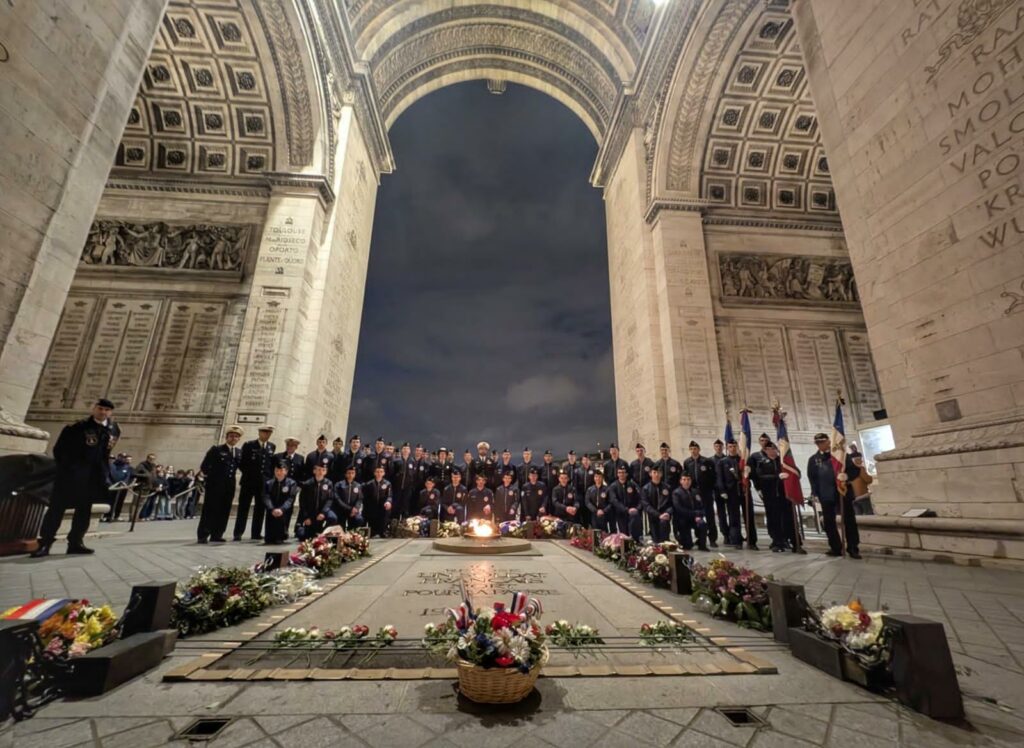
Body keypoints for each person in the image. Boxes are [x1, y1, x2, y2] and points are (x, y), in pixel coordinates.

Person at [31, 398, 117, 557]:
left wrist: (104, 474)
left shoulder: (113, 430)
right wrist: (70, 469)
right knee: (56, 509)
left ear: (110, 412)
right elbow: (59, 450)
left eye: (106, 410)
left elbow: (105, 454)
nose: (103, 412)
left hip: (93, 478)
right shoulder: (78, 427)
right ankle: (45, 543)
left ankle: (76, 542)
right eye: (100, 408)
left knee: (84, 511)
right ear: (94, 408)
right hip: (70, 476)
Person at [807, 433, 861, 559]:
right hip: (825, 494)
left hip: (842, 492)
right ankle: (835, 547)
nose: (820, 444)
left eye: (822, 442)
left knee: (849, 521)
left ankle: (853, 548)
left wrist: (847, 476)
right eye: (818, 443)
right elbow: (812, 478)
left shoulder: (841, 456)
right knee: (829, 522)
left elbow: (855, 470)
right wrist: (814, 493)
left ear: (829, 442)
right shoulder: (813, 459)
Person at [196, 426, 243, 543]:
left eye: (236, 437)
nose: (233, 438)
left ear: (239, 439)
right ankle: (203, 534)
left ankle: (217, 534)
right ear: (227, 437)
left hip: (229, 485)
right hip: (215, 484)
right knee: (210, 509)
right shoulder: (216, 450)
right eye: (231, 436)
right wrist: (213, 477)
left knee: (224, 509)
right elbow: (205, 466)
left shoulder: (238, 452)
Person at [235, 425, 276, 541]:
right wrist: (250, 474)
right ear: (259, 433)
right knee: (243, 507)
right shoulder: (249, 445)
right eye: (264, 432)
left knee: (260, 509)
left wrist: (268, 479)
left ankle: (256, 533)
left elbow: (270, 465)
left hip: (263, 484)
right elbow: (242, 463)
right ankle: (238, 533)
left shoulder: (272, 446)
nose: (266, 434)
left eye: (269, 433)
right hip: (248, 482)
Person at [685, 441, 723, 548]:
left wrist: (710, 488)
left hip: (706, 492)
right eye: (691, 449)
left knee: (709, 515)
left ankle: (712, 539)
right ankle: (700, 538)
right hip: (694, 493)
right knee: (697, 516)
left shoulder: (706, 461)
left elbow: (713, 476)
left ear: (699, 449)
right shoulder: (687, 462)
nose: (693, 451)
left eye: (695, 449)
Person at [756, 443, 790, 552]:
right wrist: (777, 477)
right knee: (773, 519)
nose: (771, 451)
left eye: (773, 448)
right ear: (765, 451)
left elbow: (794, 471)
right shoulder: (762, 463)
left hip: (783, 495)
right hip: (770, 495)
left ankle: (786, 539)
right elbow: (760, 476)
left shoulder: (783, 461)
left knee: (785, 518)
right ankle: (776, 541)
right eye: (768, 449)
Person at [295, 462, 337, 540]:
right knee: (303, 536)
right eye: (319, 470)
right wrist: (306, 517)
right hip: (311, 512)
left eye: (323, 470)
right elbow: (302, 502)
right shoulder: (308, 484)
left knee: (333, 517)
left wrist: (323, 512)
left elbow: (330, 499)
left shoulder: (329, 483)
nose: (321, 472)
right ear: (314, 471)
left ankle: (324, 533)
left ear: (326, 472)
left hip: (322, 511)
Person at [715, 440, 744, 549]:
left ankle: (751, 540)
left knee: (747, 516)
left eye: (734, 446)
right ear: (727, 448)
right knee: (734, 517)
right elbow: (720, 478)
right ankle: (736, 540)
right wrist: (722, 491)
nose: (732, 448)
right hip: (730, 492)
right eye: (730, 446)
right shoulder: (723, 462)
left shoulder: (742, 460)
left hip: (742, 491)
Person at [263, 462, 298, 544]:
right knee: (269, 539)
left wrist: (282, 509)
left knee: (280, 537)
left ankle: (282, 535)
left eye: (281, 470)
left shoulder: (291, 483)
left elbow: (290, 498)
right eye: (277, 471)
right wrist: (272, 508)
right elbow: (266, 497)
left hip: (283, 510)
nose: (279, 473)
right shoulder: (269, 483)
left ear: (286, 471)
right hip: (272, 510)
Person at [672, 474, 708, 551]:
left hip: (695, 518)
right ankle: (686, 541)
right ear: (680, 481)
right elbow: (679, 509)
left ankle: (702, 545)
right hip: (683, 520)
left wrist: (700, 515)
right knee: (687, 546)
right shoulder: (676, 493)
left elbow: (702, 506)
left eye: (688, 479)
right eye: (684, 479)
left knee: (702, 524)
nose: (686, 481)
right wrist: (695, 514)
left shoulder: (696, 492)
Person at [608, 465, 642, 540]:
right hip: (620, 513)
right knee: (624, 535)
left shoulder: (632, 485)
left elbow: (640, 498)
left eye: (623, 472)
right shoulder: (613, 486)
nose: (621, 474)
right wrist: (626, 509)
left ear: (626, 474)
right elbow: (614, 500)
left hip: (633, 513)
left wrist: (637, 509)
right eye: (619, 472)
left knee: (634, 533)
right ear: (617, 474)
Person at [641, 465, 673, 542]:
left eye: (658, 472)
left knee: (665, 540)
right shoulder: (645, 488)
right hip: (653, 517)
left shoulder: (667, 487)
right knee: (656, 540)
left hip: (665, 517)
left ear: (661, 474)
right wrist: (658, 515)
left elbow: (671, 503)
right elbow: (646, 505)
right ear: (650, 474)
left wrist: (667, 513)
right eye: (654, 472)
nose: (656, 474)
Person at [362, 464, 393, 537]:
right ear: (374, 473)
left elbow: (389, 495)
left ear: (384, 473)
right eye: (377, 472)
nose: (379, 473)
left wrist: (388, 502)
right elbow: (366, 497)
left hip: (382, 505)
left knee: (386, 512)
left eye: (381, 472)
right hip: (372, 506)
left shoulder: (387, 483)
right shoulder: (369, 484)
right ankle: (373, 532)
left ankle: (383, 531)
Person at [102, 452, 134, 522]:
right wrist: (110, 483)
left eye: (124, 457)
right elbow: (107, 475)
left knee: (120, 501)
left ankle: (117, 515)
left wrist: (124, 483)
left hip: (122, 487)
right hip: (113, 486)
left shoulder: (127, 467)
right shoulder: (112, 465)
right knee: (110, 501)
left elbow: (127, 476)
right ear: (118, 457)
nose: (123, 459)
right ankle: (107, 515)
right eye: (121, 457)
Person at [334, 465, 366, 530]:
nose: (350, 475)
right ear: (345, 474)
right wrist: (350, 509)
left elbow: (360, 499)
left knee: (359, 520)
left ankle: (352, 532)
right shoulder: (339, 485)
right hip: (341, 510)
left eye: (352, 473)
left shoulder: (358, 485)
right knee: (340, 528)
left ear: (355, 474)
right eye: (349, 473)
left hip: (353, 510)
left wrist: (356, 508)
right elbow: (337, 499)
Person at [392, 442, 418, 519]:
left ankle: (404, 521)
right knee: (396, 505)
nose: (406, 450)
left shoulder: (412, 461)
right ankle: (394, 521)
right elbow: (392, 474)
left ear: (410, 451)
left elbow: (414, 475)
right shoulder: (396, 461)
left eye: (407, 449)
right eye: (404, 449)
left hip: (407, 488)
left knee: (405, 505)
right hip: (397, 487)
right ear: (401, 450)